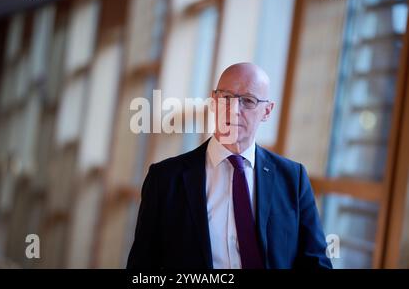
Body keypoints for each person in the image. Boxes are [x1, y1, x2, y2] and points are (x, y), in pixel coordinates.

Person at [127, 63, 332, 269]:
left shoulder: (293, 178)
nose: (234, 110)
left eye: (248, 101)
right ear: (214, 101)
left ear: (267, 111)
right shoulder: (164, 179)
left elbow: (316, 262)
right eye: (226, 98)